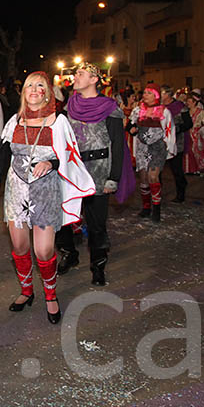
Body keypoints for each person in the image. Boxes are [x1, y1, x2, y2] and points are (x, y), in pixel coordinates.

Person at [0, 71, 95, 321]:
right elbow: (3, 152)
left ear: (47, 92)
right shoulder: (15, 120)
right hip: (16, 190)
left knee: (44, 250)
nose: (34, 90)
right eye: (29, 86)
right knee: (20, 246)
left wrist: (52, 163)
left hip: (45, 190)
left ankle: (50, 294)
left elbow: (69, 156)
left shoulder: (58, 121)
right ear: (24, 92)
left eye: (40, 86)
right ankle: (26, 291)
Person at [54, 63, 133, 285]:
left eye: (80, 74)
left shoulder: (110, 107)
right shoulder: (71, 105)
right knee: (63, 218)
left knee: (97, 224)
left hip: (99, 172)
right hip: (72, 170)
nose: (75, 77)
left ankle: (98, 266)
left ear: (94, 79)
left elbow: (118, 144)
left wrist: (114, 178)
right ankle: (69, 254)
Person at [128, 83, 175, 222]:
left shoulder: (164, 111)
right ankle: (146, 207)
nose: (145, 95)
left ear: (156, 95)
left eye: (149, 92)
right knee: (143, 179)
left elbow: (169, 130)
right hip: (142, 147)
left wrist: (169, 148)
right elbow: (130, 124)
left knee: (153, 177)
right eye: (145, 92)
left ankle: (156, 209)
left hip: (157, 147)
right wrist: (131, 129)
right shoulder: (137, 110)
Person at [160, 85, 192, 202]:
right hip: (160, 143)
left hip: (177, 142)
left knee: (176, 169)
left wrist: (175, 129)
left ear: (167, 94)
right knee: (157, 169)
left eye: (161, 93)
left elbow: (189, 123)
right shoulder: (159, 107)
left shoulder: (180, 107)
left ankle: (181, 193)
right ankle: (157, 193)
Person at [183, 94, 204, 174]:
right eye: (187, 101)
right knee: (187, 151)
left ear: (194, 102)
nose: (188, 103)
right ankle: (189, 169)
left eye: (189, 102)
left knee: (196, 151)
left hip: (197, 134)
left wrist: (201, 127)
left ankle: (198, 168)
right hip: (187, 133)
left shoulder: (200, 112)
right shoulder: (186, 112)